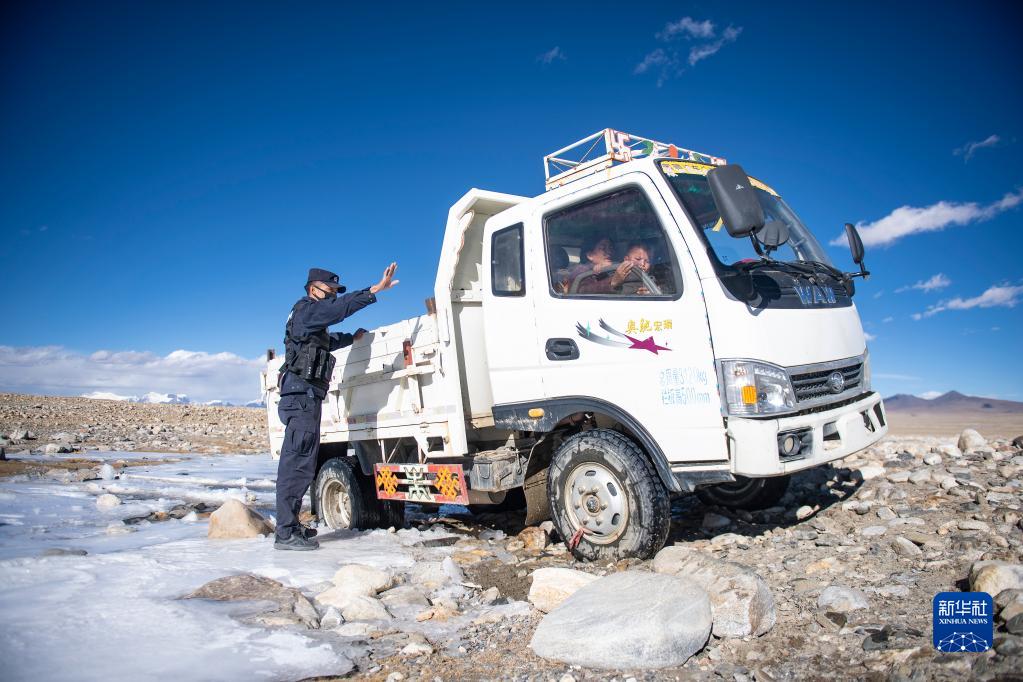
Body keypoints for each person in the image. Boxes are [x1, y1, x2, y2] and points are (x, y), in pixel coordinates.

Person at [274, 263, 399, 551]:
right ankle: (285, 533)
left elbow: (325, 341)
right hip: (301, 396)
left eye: (335, 291)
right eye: (329, 290)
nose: (333, 295)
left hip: (305, 396)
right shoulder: (305, 310)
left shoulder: (309, 320)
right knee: (297, 465)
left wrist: (351, 339)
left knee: (303, 464)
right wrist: (373, 290)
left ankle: (290, 527)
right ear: (313, 289)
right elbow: (336, 310)